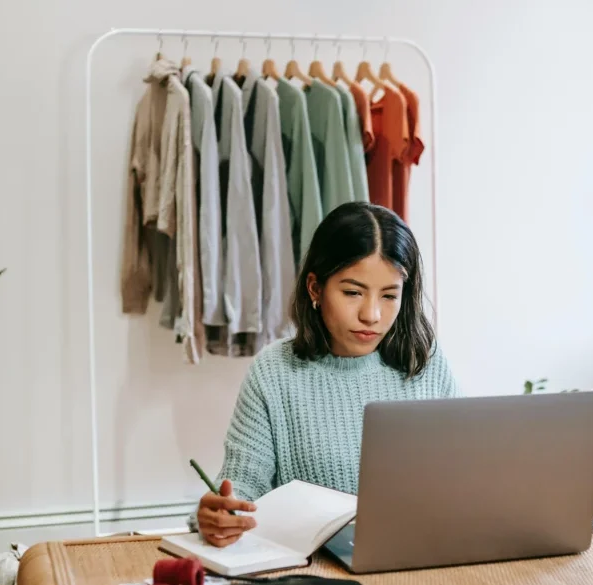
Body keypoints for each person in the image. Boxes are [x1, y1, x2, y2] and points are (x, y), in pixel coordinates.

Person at [192, 201, 459, 547]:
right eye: (352, 293)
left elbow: (463, 475)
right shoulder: (273, 373)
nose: (372, 314)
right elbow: (240, 490)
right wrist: (219, 517)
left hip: (421, 558)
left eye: (390, 295)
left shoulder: (425, 362)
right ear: (315, 288)